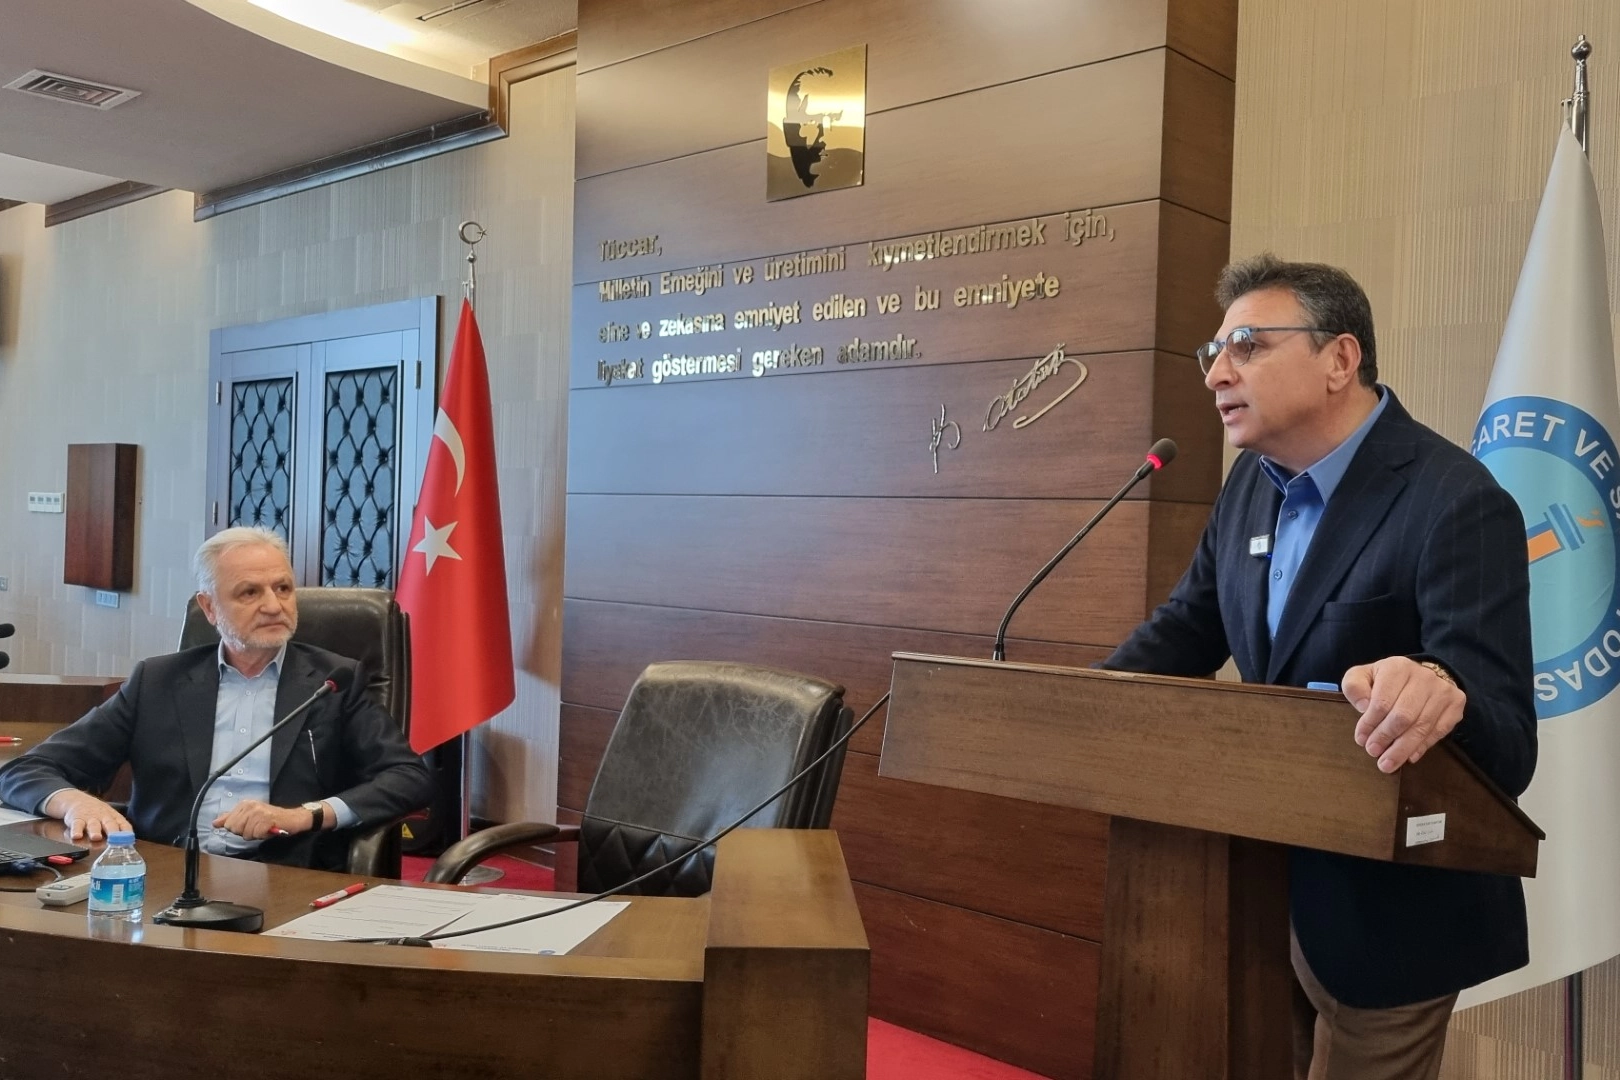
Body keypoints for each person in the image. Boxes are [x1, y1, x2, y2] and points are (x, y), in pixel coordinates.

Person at [1103, 255, 1536, 1080]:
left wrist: (1440, 693)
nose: (1217, 374)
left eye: (1247, 347)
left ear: (1340, 359)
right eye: (1213, 353)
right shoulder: (1250, 486)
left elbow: (1508, 744)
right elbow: (1187, 629)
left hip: (1390, 913)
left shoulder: (1456, 500)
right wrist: (1075, 704)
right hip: (1257, 891)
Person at [0, 527, 433, 872]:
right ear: (209, 608)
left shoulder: (334, 681)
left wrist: (307, 814)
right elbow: (24, 771)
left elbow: (408, 777)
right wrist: (74, 801)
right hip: (166, 871)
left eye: (283, 588)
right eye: (250, 592)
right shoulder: (157, 682)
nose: (273, 605)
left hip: (288, 873)